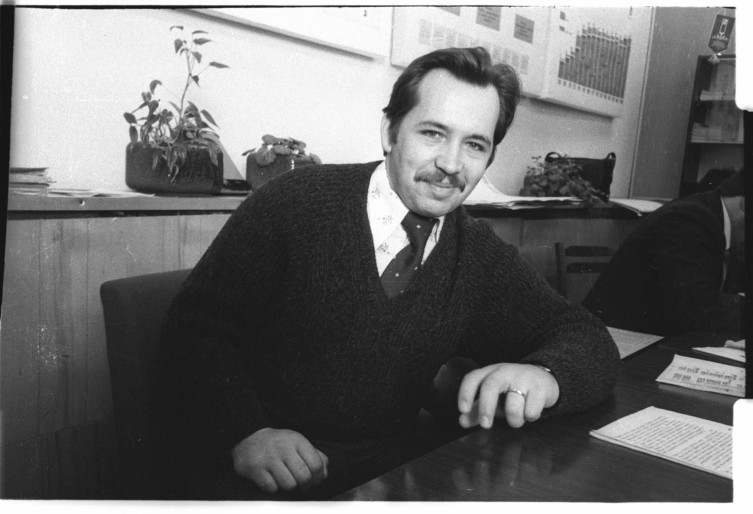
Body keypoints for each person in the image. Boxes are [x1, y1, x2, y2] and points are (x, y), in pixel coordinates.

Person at [157, 47, 620, 500]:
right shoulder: (294, 203)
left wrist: (546, 375)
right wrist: (245, 432)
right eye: (433, 133)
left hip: (385, 482)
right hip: (255, 480)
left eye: (474, 145)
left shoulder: (478, 253)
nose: (451, 164)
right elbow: (193, 330)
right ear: (390, 132)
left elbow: (584, 334)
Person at [582, 170, 745, 336]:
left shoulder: (718, 222)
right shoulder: (689, 219)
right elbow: (696, 306)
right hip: (611, 339)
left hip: (651, 337)